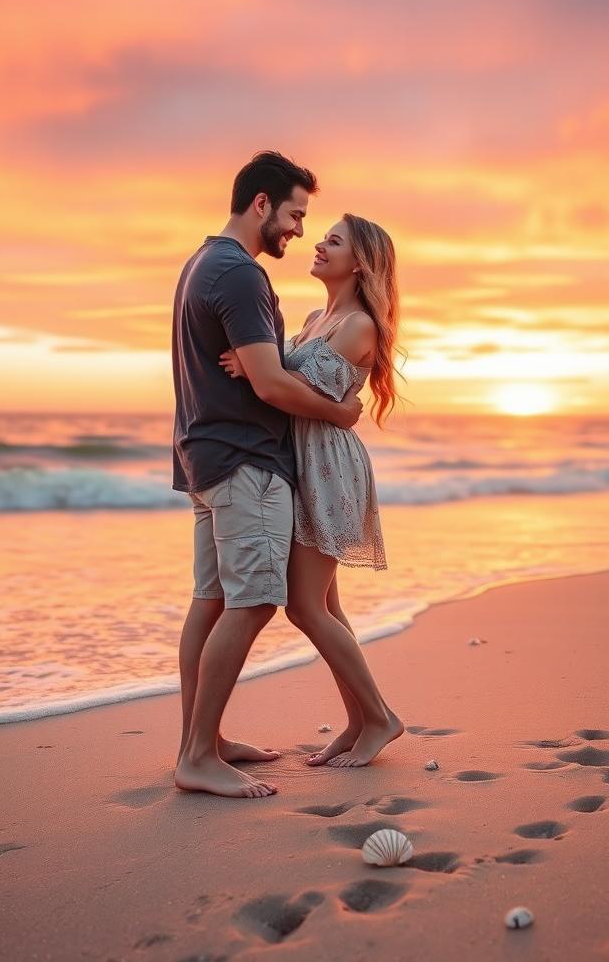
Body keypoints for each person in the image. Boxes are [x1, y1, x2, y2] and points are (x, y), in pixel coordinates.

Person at [171, 152, 362, 799]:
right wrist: (339, 412)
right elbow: (273, 384)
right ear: (260, 204)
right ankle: (197, 755)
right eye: (294, 215)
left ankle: (203, 740)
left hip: (205, 458)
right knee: (251, 602)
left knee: (214, 600)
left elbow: (263, 368)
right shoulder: (240, 274)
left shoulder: (200, 262)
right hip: (246, 461)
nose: (299, 231)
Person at [221, 213, 404, 767]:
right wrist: (265, 370)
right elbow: (285, 381)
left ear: (362, 262)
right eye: (322, 236)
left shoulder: (359, 325)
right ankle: (357, 722)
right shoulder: (312, 317)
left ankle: (380, 718)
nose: (319, 245)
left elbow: (288, 390)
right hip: (303, 463)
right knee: (325, 603)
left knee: (303, 606)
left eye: (334, 241)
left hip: (329, 470)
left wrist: (257, 370)